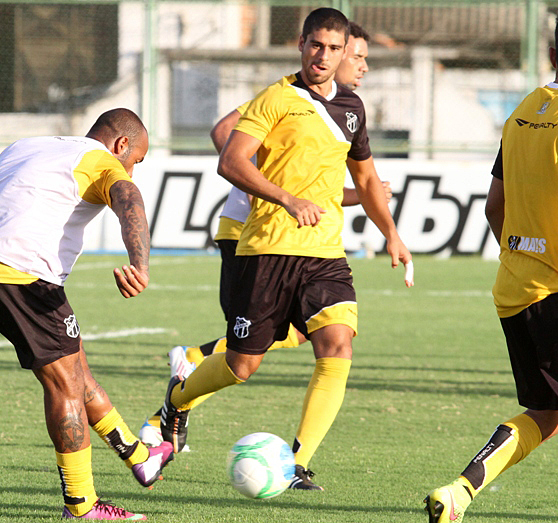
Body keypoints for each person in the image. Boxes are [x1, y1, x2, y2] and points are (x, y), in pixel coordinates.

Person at [157, 7, 412, 492]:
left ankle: (298, 463)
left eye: (334, 49)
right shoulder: (275, 98)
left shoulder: (352, 108)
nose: (323, 56)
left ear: (343, 51)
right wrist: (287, 199)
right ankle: (179, 398)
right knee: (242, 365)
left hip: (324, 253)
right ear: (301, 44)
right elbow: (231, 161)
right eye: (316, 45)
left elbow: (365, 179)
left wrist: (392, 234)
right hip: (267, 249)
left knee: (338, 344)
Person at [424, 2, 558, 523]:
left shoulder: (523, 111)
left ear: (553, 53)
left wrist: (520, 256)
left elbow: (493, 208)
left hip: (515, 287)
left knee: (550, 414)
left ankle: (458, 492)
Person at [0, 108, 174, 521]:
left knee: (74, 368)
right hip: (23, 274)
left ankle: (140, 457)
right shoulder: (101, 161)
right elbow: (130, 200)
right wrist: (140, 265)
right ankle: (81, 505)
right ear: (121, 145)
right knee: (65, 384)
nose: (132, 171)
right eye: (135, 160)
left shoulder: (24, 148)